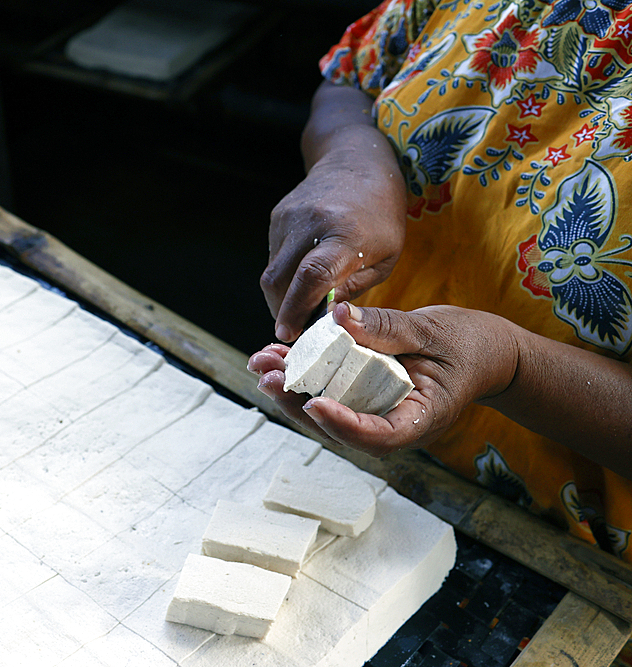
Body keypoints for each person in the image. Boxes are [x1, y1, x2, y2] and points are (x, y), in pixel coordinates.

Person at [247, 0, 632, 563]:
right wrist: (351, 160)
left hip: (568, 550)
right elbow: (350, 80)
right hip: (371, 456)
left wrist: (513, 365)